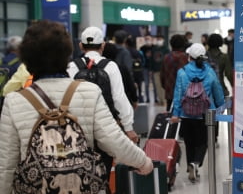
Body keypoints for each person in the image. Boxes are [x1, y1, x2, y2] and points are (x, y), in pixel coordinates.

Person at [0, 20, 153, 193]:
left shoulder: (14, 101)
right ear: (67, 53)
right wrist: (143, 162)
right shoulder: (89, 92)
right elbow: (114, 140)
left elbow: (6, 164)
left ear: (26, 59)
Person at [67, 26, 140, 184]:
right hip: (106, 126)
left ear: (80, 45)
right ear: (103, 45)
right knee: (105, 169)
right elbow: (119, 98)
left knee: (80, 171)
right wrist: (128, 127)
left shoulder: (72, 67)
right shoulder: (110, 66)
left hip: (78, 128)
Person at [170, 43, 225, 183]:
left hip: (185, 113)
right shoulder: (210, 72)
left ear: (189, 57)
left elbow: (177, 94)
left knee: (189, 141)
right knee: (204, 141)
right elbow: (217, 90)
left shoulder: (182, 72)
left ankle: (190, 165)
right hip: (206, 112)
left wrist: (175, 113)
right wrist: (221, 105)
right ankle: (196, 163)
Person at [103, 41, 137, 108]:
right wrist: (134, 100)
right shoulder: (122, 69)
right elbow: (131, 86)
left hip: (104, 104)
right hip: (123, 103)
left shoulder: (99, 68)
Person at [160, 34, 188, 111]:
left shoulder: (166, 57)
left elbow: (162, 76)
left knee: (170, 117)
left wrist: (167, 87)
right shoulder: (184, 57)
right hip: (182, 95)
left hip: (169, 93)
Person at [126, 36, 145, 103]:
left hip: (130, 73)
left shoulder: (126, 52)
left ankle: (132, 99)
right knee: (139, 87)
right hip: (139, 72)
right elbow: (142, 61)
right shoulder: (138, 52)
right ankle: (141, 99)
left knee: (131, 87)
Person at [151, 34, 169, 106]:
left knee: (163, 86)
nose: (159, 40)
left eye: (160, 39)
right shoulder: (154, 49)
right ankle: (160, 99)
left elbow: (168, 60)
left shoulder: (166, 49)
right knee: (157, 86)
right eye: (158, 39)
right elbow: (151, 60)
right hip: (156, 70)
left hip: (164, 71)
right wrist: (151, 69)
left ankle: (164, 100)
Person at [140, 34, 157, 103]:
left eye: (149, 39)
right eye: (146, 39)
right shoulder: (142, 48)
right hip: (145, 67)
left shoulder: (154, 48)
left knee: (155, 83)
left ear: (151, 39)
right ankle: (147, 98)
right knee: (146, 84)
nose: (147, 40)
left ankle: (156, 98)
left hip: (153, 68)